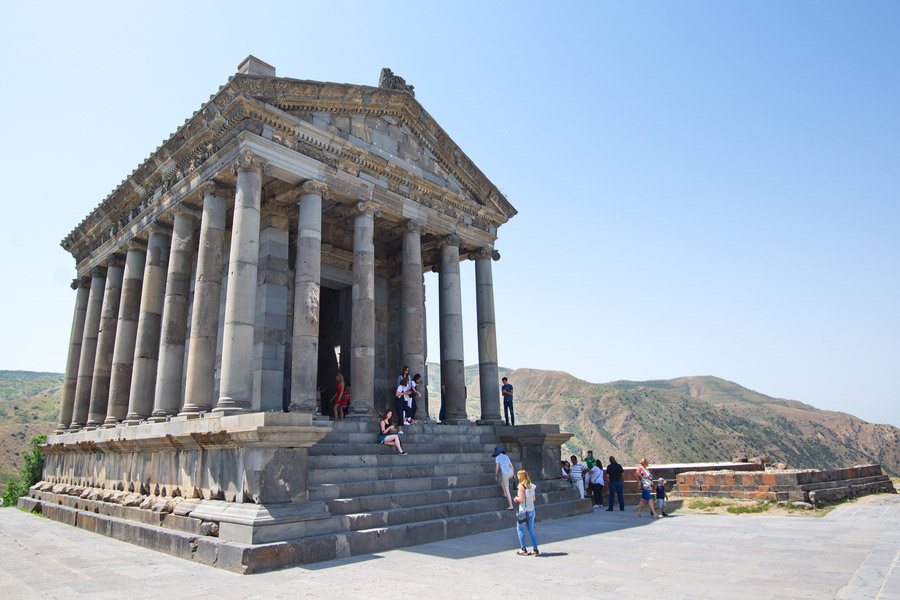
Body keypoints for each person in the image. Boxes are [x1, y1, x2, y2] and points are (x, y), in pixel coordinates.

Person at [514, 469, 539, 556]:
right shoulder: (531, 486)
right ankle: (535, 549)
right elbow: (534, 498)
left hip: (523, 511)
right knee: (531, 530)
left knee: (519, 529)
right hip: (531, 509)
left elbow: (521, 499)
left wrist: (516, 499)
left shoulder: (521, 486)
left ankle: (523, 548)